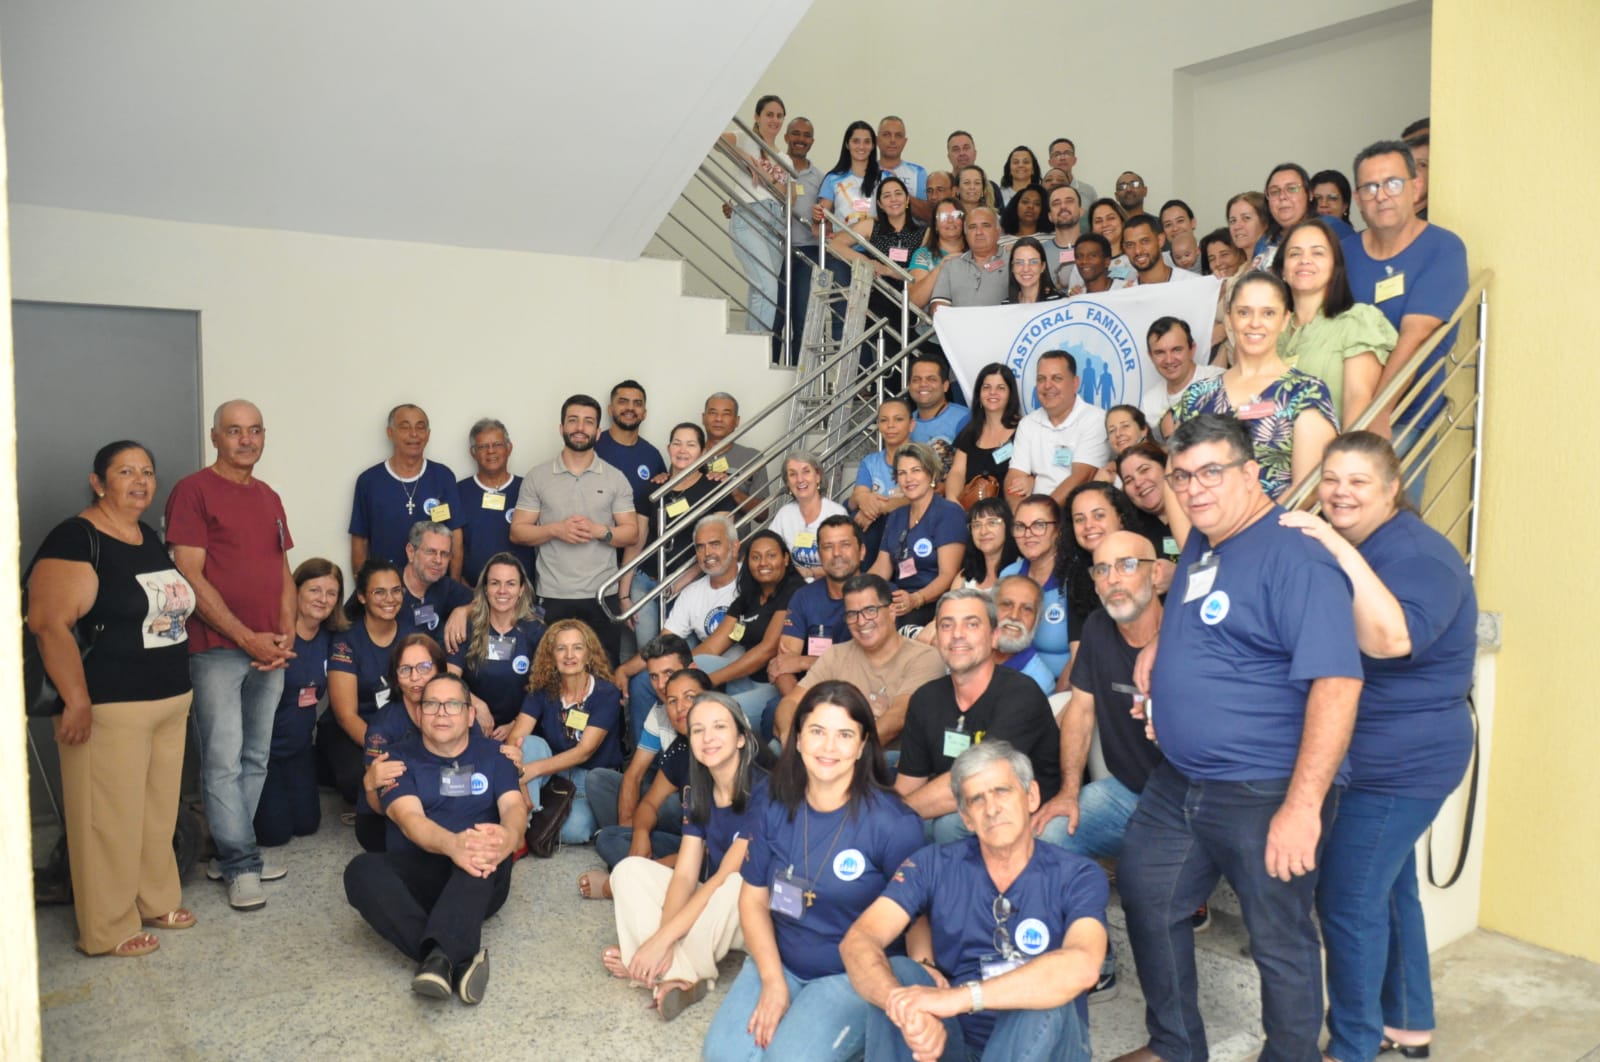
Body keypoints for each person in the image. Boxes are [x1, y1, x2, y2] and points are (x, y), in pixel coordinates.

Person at [1113, 414, 1363, 1062]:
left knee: (1279, 940)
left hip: (1266, 786)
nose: (1193, 489)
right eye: (1181, 476)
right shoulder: (1204, 538)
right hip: (1181, 780)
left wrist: (1303, 807)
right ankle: (1174, 1046)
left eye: (1210, 473)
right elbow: (1207, 612)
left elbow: (1337, 685)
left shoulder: (1296, 556)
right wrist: (1162, 651)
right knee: (1147, 892)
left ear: (1252, 473)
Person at [1280, 432, 1476, 1062]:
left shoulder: (1420, 556)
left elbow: (1391, 639)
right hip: (1367, 755)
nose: (1340, 492)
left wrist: (1334, 543)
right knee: (1391, 890)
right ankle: (1410, 1024)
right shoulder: (1366, 543)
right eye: (1331, 478)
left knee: (1347, 897)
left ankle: (1354, 1045)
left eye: (1359, 482)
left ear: (1393, 489)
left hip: (1403, 763)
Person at [27, 440, 197, 956]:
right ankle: (106, 928)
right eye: (125, 471)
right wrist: (75, 700)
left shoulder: (145, 535)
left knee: (156, 812)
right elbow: (48, 623)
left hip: (168, 698)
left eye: (147, 471)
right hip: (108, 704)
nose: (140, 481)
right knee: (107, 820)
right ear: (98, 482)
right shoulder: (75, 538)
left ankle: (155, 897)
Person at [701, 681, 924, 1062]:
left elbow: (919, 913)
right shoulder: (773, 804)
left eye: (844, 734)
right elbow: (752, 900)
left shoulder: (894, 823)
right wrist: (772, 982)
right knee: (722, 1056)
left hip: (851, 973)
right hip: (780, 958)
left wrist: (918, 983)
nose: (829, 747)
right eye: (817, 732)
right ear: (799, 738)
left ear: (862, 745)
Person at [845, 740, 1109, 1062]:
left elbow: (1082, 967)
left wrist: (959, 999)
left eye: (1002, 791)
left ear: (1032, 797)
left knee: (1043, 995)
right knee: (901, 974)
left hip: (1048, 1044)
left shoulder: (1077, 874)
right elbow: (859, 940)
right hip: (958, 1041)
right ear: (966, 818)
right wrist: (900, 1004)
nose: (992, 808)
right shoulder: (933, 863)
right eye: (977, 799)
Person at [164, 399, 295, 909]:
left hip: (269, 651)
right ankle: (243, 862)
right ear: (215, 436)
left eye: (255, 430)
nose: (247, 439)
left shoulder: (269, 496)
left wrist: (285, 636)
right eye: (235, 431)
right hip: (217, 649)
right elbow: (188, 575)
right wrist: (246, 637)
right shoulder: (193, 492)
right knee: (221, 760)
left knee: (254, 755)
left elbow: (281, 570)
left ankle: (230, 855)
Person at [343, 673, 524, 1006]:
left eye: (453, 705)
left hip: (478, 876)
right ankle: (449, 957)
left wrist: (508, 835)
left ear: (470, 715)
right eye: (432, 704)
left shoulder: (497, 754)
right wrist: (452, 844)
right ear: (419, 713)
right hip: (421, 870)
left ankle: (439, 960)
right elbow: (410, 820)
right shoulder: (395, 759)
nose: (441, 713)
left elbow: (514, 806)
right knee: (360, 871)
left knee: (479, 849)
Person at [607, 691, 770, 1020]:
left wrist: (661, 939)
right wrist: (661, 941)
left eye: (719, 727)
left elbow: (724, 877)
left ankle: (661, 970)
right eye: (698, 730)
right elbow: (684, 875)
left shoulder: (766, 792)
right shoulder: (698, 792)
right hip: (715, 901)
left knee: (736, 881)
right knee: (628, 871)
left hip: (757, 913)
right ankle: (673, 971)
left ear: (741, 738)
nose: (708, 738)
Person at [894, 590, 1065, 844]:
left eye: (971, 624)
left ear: (995, 637)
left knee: (948, 825)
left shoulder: (1021, 694)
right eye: (946, 625)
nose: (957, 634)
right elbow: (908, 785)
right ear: (937, 638)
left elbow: (976, 781)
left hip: (1022, 814)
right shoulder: (925, 698)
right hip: (953, 803)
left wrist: (892, 817)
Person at [1341, 139, 1469, 452]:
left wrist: (1379, 411)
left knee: (1384, 500)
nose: (1381, 195)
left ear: (1416, 186)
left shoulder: (1442, 248)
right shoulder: (1343, 253)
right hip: (1339, 410)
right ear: (1358, 198)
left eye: (1392, 183)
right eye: (1370, 187)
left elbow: (1417, 338)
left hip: (1401, 415)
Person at [1168, 270, 1339, 502]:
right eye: (1244, 312)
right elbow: (1176, 481)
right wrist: (1191, 538)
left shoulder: (1306, 392)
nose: (1255, 323)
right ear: (1229, 319)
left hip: (1280, 532)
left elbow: (1307, 489)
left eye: (1268, 313)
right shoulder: (1198, 396)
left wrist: (1247, 536)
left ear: (1284, 320)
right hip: (1205, 534)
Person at [510, 393, 638, 666]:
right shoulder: (538, 476)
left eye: (588, 422)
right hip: (553, 594)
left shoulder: (615, 478)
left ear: (598, 431)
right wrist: (555, 530)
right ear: (561, 428)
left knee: (605, 671)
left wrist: (599, 531)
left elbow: (632, 533)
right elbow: (518, 532)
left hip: (603, 594)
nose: (580, 427)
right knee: (551, 673)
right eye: (573, 421)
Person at [772, 574, 946, 747]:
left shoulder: (924, 657)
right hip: (832, 749)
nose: (861, 621)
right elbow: (792, 701)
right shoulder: (836, 654)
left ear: (892, 611)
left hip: (888, 756)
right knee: (776, 747)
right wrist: (791, 737)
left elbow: (898, 716)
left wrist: (849, 751)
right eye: (852, 614)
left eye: (870, 611)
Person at [584, 634, 696, 885]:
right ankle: (636, 854)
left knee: (670, 802)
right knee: (599, 781)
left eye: (668, 673)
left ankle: (635, 870)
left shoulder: (717, 714)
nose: (660, 684)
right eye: (653, 676)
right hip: (666, 813)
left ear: (691, 669)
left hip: (701, 832)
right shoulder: (659, 712)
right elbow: (634, 774)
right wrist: (634, 833)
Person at [614, 515, 742, 729]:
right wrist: (626, 669)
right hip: (702, 662)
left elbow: (717, 645)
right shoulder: (692, 593)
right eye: (700, 547)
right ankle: (651, 756)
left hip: (742, 664)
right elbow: (665, 641)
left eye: (715, 544)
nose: (707, 553)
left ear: (735, 546)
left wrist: (674, 667)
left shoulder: (748, 581)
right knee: (643, 683)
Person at [508, 619, 627, 846]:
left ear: (589, 654)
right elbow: (515, 738)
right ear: (551, 656)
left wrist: (529, 771)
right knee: (529, 743)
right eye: (561, 648)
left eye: (577, 647)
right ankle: (521, 824)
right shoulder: (542, 690)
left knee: (575, 832)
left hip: (590, 778)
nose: (569, 655)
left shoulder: (606, 692)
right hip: (554, 773)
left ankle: (533, 813)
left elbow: (584, 751)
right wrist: (522, 781)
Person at [255, 558, 346, 849]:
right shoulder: (274, 633)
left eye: (331, 593)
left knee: (307, 826)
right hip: (263, 753)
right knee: (274, 835)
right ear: (295, 590)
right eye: (314, 590)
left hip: (299, 750)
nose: (323, 599)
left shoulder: (332, 639)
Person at [1274, 217, 1398, 425]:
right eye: (1295, 253)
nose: (1305, 260)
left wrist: (1344, 456)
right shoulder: (1272, 329)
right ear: (1282, 270)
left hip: (1331, 451)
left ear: (1334, 267)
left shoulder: (1356, 321)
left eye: (1317, 253)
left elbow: (1357, 399)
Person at [693, 530, 805, 730]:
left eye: (771, 555)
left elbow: (768, 649)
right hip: (745, 679)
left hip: (774, 685)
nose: (763, 563)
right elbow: (712, 647)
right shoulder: (749, 596)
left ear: (786, 559)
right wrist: (678, 671)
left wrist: (709, 680)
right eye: (756, 557)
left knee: (722, 716)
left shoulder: (794, 591)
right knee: (694, 664)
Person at [317, 559, 403, 810]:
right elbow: (346, 716)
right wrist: (382, 751)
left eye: (396, 591)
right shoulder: (347, 640)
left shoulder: (412, 636)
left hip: (396, 729)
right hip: (351, 730)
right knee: (357, 778)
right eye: (379, 592)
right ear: (363, 597)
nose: (390, 599)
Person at [355, 633, 451, 853]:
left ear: (439, 669)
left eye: (424, 667)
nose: (415, 677)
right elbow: (380, 798)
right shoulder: (383, 726)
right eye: (405, 670)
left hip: (437, 801)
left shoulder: (455, 711)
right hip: (387, 816)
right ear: (395, 677)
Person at [349, 403, 463, 573]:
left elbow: (456, 537)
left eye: (420, 427)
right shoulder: (369, 481)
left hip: (434, 586)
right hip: (386, 589)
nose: (414, 434)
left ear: (428, 434)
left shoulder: (443, 476)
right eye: (405, 427)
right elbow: (360, 541)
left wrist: (452, 588)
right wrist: (365, 591)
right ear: (390, 433)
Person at [769, 516, 866, 708]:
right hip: (808, 693)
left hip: (860, 695)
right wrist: (800, 706)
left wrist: (805, 662)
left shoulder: (880, 595)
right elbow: (783, 665)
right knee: (774, 710)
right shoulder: (804, 597)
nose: (836, 553)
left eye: (845, 544)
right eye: (828, 547)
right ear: (819, 556)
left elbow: (869, 664)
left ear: (861, 551)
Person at [867, 443, 967, 629]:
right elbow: (882, 568)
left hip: (933, 603)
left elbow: (948, 575)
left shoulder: (949, 514)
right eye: (902, 473)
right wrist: (856, 588)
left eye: (916, 471)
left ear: (931, 474)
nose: (908, 478)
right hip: (898, 599)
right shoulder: (896, 516)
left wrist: (916, 599)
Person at [448, 552, 545, 739]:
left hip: (524, 729)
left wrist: (518, 724)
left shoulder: (535, 630)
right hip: (472, 724)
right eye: (495, 583)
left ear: (521, 589)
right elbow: (450, 678)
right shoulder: (466, 626)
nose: (502, 591)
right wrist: (477, 706)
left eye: (510, 583)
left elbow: (544, 686)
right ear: (485, 588)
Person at [594, 381, 666, 631]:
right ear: (610, 408)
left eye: (637, 403)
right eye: (623, 401)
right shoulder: (593, 446)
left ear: (644, 412)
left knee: (628, 635)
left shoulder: (652, 456)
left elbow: (659, 506)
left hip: (634, 564)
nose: (630, 408)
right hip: (591, 557)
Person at [1005, 350, 1109, 507]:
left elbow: (1081, 478)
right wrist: (1020, 516)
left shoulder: (1096, 419)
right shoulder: (1027, 424)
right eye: (1041, 379)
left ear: (1075, 383)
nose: (1047, 386)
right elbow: (1015, 478)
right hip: (1032, 520)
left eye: (1057, 378)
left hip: (1075, 515)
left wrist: (1043, 516)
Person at [642, 422, 737, 593]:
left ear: (702, 452)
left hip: (693, 585)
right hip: (647, 580)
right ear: (669, 448)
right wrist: (624, 594)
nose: (682, 450)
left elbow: (722, 544)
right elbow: (638, 541)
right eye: (677, 443)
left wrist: (679, 584)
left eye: (691, 445)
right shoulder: (656, 488)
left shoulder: (715, 487)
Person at [722, 94, 789, 333]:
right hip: (750, 216)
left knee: (761, 290)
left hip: (776, 222)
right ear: (757, 117)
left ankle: (750, 346)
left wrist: (766, 173)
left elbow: (785, 194)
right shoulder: (744, 138)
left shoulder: (784, 158)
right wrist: (749, 159)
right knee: (768, 288)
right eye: (769, 114)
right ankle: (756, 351)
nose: (774, 120)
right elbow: (715, 139)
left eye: (779, 115)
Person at [1059, 483, 1144, 667]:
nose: (1089, 525)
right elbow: (1079, 656)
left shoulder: (1146, 565)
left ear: (1121, 519)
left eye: (1099, 515)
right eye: (1079, 519)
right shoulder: (1077, 576)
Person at [456, 417, 535, 587]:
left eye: (497, 445)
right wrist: (462, 589)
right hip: (473, 594)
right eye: (483, 446)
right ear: (473, 452)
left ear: (509, 448)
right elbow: (452, 546)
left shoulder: (528, 488)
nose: (490, 451)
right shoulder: (459, 491)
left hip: (522, 595)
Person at [999, 495, 1071, 681]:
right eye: (1020, 526)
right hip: (1010, 682)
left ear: (1058, 530)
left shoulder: (1076, 578)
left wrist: (1055, 701)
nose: (1028, 534)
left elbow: (1083, 657)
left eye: (1039, 525)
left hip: (1060, 689)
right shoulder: (1009, 575)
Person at [851, 396, 914, 566]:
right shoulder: (870, 461)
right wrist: (865, 500)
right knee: (851, 512)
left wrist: (881, 507)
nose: (890, 426)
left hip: (909, 524)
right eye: (884, 420)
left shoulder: (922, 457)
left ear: (911, 424)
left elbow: (926, 495)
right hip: (876, 527)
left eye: (898, 419)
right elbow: (858, 495)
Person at [946, 362, 1021, 506]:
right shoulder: (969, 432)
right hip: (972, 517)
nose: (993, 392)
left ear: (1010, 395)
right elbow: (957, 472)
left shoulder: (1023, 430)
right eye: (987, 387)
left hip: (1009, 515)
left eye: (1001, 388)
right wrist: (952, 500)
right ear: (979, 394)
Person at [768, 450, 848, 581]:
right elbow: (769, 548)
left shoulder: (837, 513)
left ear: (818, 476)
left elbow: (846, 562)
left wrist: (810, 572)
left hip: (829, 587)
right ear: (788, 483)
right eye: (793, 474)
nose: (800, 479)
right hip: (791, 588)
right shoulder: (784, 514)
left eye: (806, 471)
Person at [1140, 316, 1223, 436]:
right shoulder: (1149, 403)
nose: (1169, 360)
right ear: (1151, 356)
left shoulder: (1219, 379)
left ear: (1192, 349)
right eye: (1160, 353)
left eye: (1176, 350)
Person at [1259, 162, 1355, 266]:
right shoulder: (1265, 241)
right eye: (1274, 191)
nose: (1282, 196)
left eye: (1292, 189)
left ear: (1309, 194)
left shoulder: (1332, 227)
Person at [396, 520, 473, 638]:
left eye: (444, 554)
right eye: (430, 552)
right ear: (411, 552)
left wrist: (464, 611)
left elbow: (483, 603)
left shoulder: (444, 587)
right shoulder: (389, 586)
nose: (438, 560)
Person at [928, 205, 1008, 314]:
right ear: (966, 234)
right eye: (972, 227)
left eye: (986, 225)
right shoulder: (951, 266)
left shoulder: (1014, 262)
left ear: (998, 232)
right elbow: (938, 308)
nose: (979, 232)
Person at [991, 574, 1058, 695]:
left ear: (1037, 620)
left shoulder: (1039, 681)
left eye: (1027, 609)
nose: (1014, 616)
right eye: (1006, 604)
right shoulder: (968, 653)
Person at [701, 392, 772, 506]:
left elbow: (762, 514)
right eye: (713, 413)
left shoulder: (752, 457)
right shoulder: (687, 456)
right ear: (703, 418)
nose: (719, 419)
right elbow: (674, 503)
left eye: (726, 414)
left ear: (737, 421)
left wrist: (735, 493)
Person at [907, 353, 971, 473]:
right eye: (916, 380)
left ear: (945, 386)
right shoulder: (904, 423)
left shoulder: (964, 419)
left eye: (931, 379)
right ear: (909, 386)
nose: (923, 384)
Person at [815, 120, 881, 231]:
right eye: (856, 141)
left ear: (873, 145)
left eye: (867, 142)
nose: (861, 146)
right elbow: (822, 216)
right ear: (847, 144)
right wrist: (816, 213)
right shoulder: (832, 179)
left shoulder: (884, 178)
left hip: (875, 246)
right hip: (841, 245)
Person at [907, 198, 967, 311]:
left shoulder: (976, 252)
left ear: (964, 220)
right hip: (932, 325)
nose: (950, 220)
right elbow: (913, 301)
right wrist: (940, 268)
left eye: (955, 215)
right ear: (935, 225)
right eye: (943, 216)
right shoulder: (923, 255)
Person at [953, 497, 1017, 594]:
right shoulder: (965, 577)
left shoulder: (1021, 571)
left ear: (1008, 526)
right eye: (977, 525)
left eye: (992, 523)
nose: (983, 531)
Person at [1123, 213, 1194, 286]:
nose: (1138, 251)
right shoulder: (1126, 294)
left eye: (1145, 241)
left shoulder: (1191, 283)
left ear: (1160, 240)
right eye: (1130, 245)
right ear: (1124, 249)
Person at [1040, 185, 1086, 290]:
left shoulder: (1097, 246)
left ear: (1081, 211)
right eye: (1056, 203)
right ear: (1050, 216)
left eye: (1069, 201)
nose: (1063, 206)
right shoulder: (1039, 252)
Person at [876, 115, 928, 205]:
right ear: (877, 140)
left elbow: (926, 214)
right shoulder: (864, 171)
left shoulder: (918, 173)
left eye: (898, 136)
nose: (892, 140)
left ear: (904, 142)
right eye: (886, 135)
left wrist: (900, 191)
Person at [1003, 235, 1063, 303]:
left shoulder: (1059, 302)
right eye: (1019, 262)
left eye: (1033, 262)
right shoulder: (1005, 306)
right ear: (1012, 268)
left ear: (1043, 266)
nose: (1026, 269)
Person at [1046, 137, 1098, 208]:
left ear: (1074, 160)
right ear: (1050, 162)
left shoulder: (1088, 191)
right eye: (1057, 154)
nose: (1062, 158)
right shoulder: (1043, 190)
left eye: (1067, 153)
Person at [1226, 190, 1272, 270]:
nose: (1237, 226)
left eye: (1246, 218)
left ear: (1265, 222)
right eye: (1233, 221)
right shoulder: (1240, 269)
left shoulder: (1270, 264)